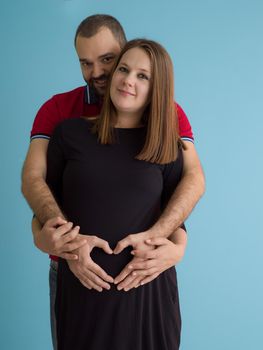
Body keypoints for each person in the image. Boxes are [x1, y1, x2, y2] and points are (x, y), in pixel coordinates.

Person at [21, 14, 205, 348]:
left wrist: (176, 245)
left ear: (123, 51)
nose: (98, 73)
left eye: (107, 60)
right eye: (85, 63)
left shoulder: (166, 120)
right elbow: (36, 181)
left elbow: (187, 185)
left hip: (147, 289)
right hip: (77, 281)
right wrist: (49, 239)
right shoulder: (63, 116)